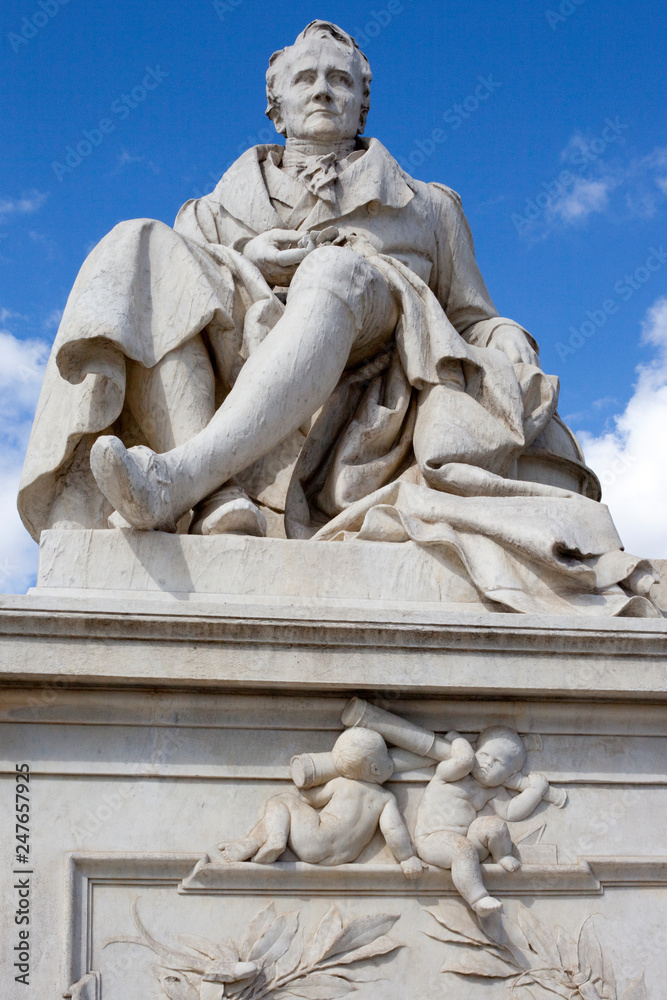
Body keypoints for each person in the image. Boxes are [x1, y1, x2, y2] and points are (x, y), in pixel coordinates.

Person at [18, 21, 657, 616]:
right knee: (138, 243)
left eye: (341, 80)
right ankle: (219, 502)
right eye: (306, 79)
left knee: (333, 269)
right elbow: (174, 294)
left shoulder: (430, 209)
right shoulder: (209, 214)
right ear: (276, 105)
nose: (323, 89)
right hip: (245, 353)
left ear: (362, 105)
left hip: (373, 362)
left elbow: (473, 318)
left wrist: (512, 342)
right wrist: (244, 255)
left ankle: (180, 477)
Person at [219, 727, 423, 876]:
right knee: (286, 806)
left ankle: (265, 839)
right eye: (387, 755)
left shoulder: (340, 784)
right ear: (376, 770)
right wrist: (406, 858)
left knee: (282, 801)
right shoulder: (385, 799)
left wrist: (308, 785)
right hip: (343, 856)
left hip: (313, 840)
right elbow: (393, 830)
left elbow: (310, 799)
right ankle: (260, 841)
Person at [414, 727, 551, 915]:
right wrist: (458, 740)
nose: (487, 763)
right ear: (474, 751)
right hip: (432, 840)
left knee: (494, 825)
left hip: (467, 842)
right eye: (484, 755)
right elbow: (463, 761)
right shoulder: (451, 773)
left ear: (510, 776)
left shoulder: (492, 791)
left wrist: (535, 791)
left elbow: (511, 812)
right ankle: (478, 899)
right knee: (461, 848)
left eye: (498, 763)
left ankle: (501, 855)